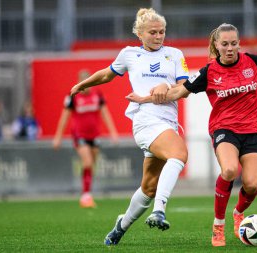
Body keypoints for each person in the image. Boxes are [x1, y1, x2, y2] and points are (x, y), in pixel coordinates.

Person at [126, 23, 257, 247]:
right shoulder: (208, 72)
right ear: (216, 45)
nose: (230, 48)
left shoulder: (254, 62)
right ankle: (218, 225)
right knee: (229, 170)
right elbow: (179, 92)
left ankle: (238, 214)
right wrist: (145, 98)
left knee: (251, 184)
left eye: (234, 43)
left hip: (254, 130)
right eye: (225, 44)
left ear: (239, 43)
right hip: (224, 129)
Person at [69, 8, 189, 246]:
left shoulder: (174, 54)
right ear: (140, 34)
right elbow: (106, 75)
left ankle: (119, 228)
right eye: (153, 32)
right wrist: (82, 84)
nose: (158, 36)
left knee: (149, 186)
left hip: (167, 124)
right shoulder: (129, 54)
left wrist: (166, 86)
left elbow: (183, 89)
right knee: (180, 154)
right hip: (145, 121)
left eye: (162, 31)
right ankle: (159, 211)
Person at [53, 69, 119, 208]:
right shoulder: (72, 96)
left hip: (94, 135)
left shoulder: (97, 95)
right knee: (87, 162)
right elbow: (64, 117)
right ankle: (85, 196)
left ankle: (87, 192)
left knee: (91, 165)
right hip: (79, 134)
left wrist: (113, 132)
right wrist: (58, 137)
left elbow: (105, 114)